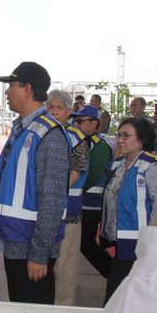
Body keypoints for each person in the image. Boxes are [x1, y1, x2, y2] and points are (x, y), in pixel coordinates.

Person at [0, 62, 70, 304]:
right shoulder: (23, 128)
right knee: (19, 303)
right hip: (16, 238)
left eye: (11, 85)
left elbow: (53, 201)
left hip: (31, 247)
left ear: (27, 89)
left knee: (33, 305)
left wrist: (40, 254)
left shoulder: (49, 135)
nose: (6, 92)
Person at [100, 117, 156, 304]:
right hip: (120, 241)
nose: (120, 140)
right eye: (119, 135)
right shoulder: (118, 164)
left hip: (139, 245)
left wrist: (151, 241)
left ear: (141, 140)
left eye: (126, 136)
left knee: (119, 297)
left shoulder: (150, 165)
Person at [46, 90, 90, 306]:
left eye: (59, 108)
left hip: (68, 213)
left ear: (69, 110)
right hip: (42, 212)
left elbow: (76, 172)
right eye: (50, 107)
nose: (54, 112)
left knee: (65, 268)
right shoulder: (40, 133)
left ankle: (63, 307)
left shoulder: (77, 138)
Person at [74, 105, 113, 279]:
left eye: (81, 121)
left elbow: (94, 174)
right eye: (76, 121)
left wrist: (72, 188)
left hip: (91, 205)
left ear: (94, 123)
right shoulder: (83, 143)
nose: (77, 124)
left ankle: (112, 273)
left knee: (86, 244)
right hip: (82, 202)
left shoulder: (100, 146)